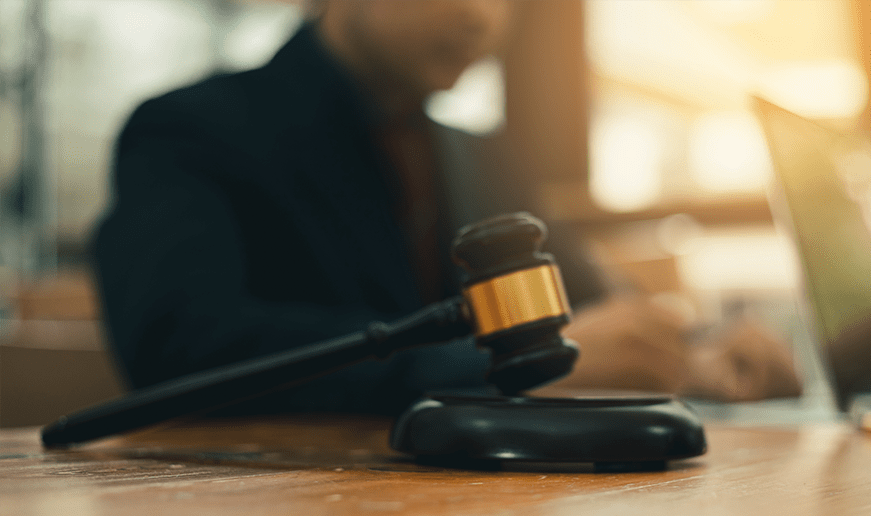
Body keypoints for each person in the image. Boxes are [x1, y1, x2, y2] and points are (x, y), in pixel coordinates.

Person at [92, 0, 800, 416]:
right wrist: (496, 369)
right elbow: (179, 347)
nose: (480, 15)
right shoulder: (191, 130)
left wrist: (701, 346)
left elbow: (589, 309)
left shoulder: (482, 156)